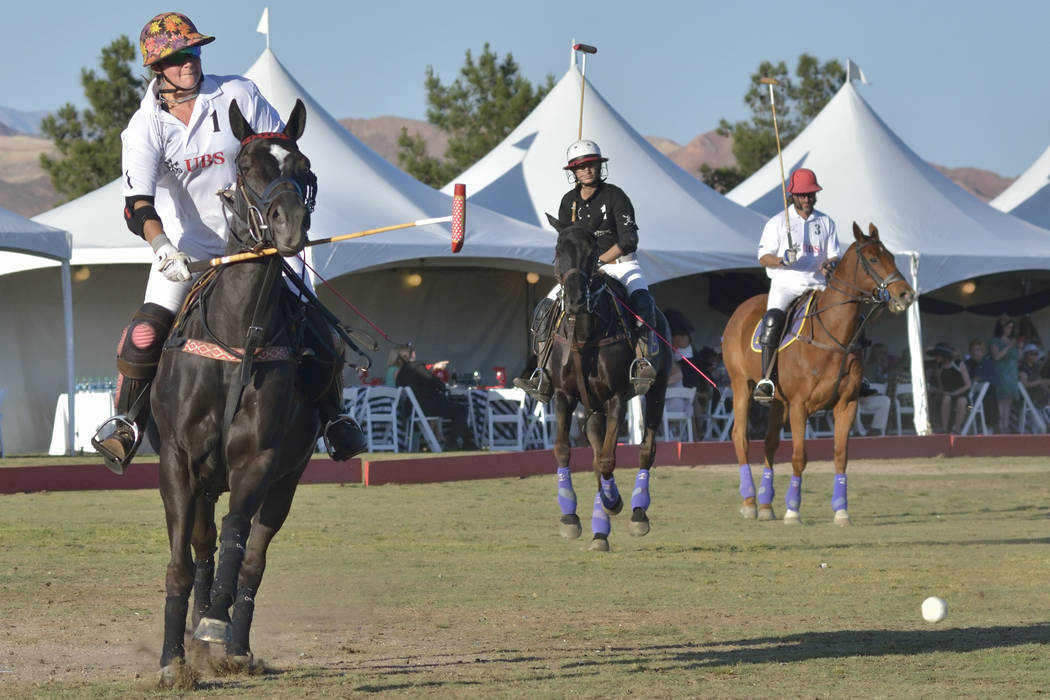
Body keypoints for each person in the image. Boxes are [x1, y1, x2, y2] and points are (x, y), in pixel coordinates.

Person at [91, 12, 365, 475]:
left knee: (319, 331)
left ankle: (334, 418)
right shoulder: (144, 128)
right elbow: (136, 205)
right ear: (157, 68)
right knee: (143, 335)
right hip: (191, 253)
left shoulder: (237, 93)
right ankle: (126, 424)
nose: (190, 63)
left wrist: (286, 218)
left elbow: (281, 154)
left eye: (194, 51)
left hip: (263, 244)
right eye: (178, 57)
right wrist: (163, 249)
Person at [515, 139, 658, 401]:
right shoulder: (568, 202)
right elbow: (565, 241)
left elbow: (629, 240)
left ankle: (641, 363)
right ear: (573, 172)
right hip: (581, 272)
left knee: (642, 301)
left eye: (591, 165)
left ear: (599, 167)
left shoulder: (615, 195)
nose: (587, 171)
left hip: (620, 266)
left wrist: (600, 261)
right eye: (581, 167)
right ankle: (540, 373)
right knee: (545, 308)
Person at [753, 168, 840, 403]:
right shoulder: (778, 222)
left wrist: (829, 266)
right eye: (802, 195)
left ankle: (854, 375)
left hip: (818, 285)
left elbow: (833, 255)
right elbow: (763, 257)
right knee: (772, 319)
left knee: (849, 317)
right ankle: (766, 380)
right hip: (786, 284)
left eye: (810, 195)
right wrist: (782, 260)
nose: (807, 199)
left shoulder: (826, 221)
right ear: (792, 195)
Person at [393, 345, 478, 451]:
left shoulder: (400, 373)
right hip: (427, 407)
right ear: (411, 354)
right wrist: (441, 386)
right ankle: (454, 441)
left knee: (455, 408)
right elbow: (433, 380)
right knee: (461, 409)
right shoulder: (417, 366)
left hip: (411, 410)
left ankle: (466, 442)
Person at [926, 342, 972, 434]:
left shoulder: (958, 364)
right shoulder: (940, 367)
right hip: (948, 395)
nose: (935, 357)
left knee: (962, 401)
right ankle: (945, 430)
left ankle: (957, 430)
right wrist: (936, 390)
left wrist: (954, 393)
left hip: (965, 399)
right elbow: (941, 387)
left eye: (937, 355)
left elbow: (968, 384)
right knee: (946, 398)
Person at [989, 315, 1021, 434]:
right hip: (1001, 373)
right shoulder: (995, 341)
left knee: (1008, 401)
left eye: (1011, 328)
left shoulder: (1012, 341)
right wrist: (1008, 347)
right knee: (1001, 400)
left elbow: (1018, 358)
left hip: (1012, 373)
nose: (1010, 330)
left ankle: (1006, 425)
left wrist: (1019, 348)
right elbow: (996, 356)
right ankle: (1000, 425)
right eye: (1007, 327)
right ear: (1001, 328)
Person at [1018, 343, 1050, 409]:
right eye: (1032, 353)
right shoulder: (1023, 367)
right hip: (1028, 396)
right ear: (1026, 354)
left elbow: (1040, 380)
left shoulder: (1035, 367)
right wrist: (1041, 381)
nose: (1035, 356)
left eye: (1036, 353)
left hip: (1036, 393)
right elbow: (1025, 384)